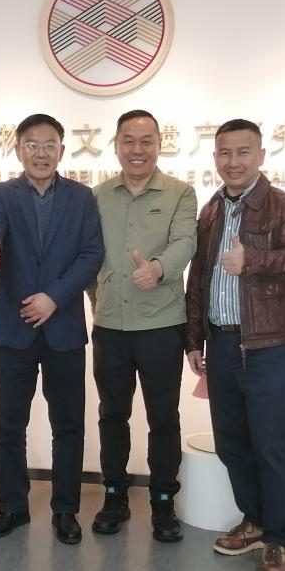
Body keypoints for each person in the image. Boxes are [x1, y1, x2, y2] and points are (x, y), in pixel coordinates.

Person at [184, 119, 285, 571]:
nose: (233, 161)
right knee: (232, 442)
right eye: (224, 152)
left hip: (270, 345)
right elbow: (198, 279)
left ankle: (278, 539)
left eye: (243, 152)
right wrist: (194, 339)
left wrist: (250, 260)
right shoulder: (211, 211)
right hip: (220, 343)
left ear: (260, 155)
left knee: (274, 446)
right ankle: (254, 520)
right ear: (215, 157)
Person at [0, 113, 104, 545]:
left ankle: (65, 509)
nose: (41, 153)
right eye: (32, 144)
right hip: (14, 328)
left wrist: (54, 297)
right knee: (10, 424)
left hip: (62, 326)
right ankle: (12, 507)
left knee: (68, 424)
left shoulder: (81, 197)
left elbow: (91, 254)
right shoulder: (0, 194)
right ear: (18, 150)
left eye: (49, 144)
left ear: (62, 150)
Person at [88, 109, 196, 543]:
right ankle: (114, 495)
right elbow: (89, 254)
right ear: (116, 145)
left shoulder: (180, 193)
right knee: (112, 414)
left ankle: (163, 500)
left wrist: (158, 268)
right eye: (129, 141)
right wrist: (97, 300)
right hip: (110, 326)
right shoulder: (96, 196)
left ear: (159, 144)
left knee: (163, 417)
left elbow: (185, 241)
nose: (137, 149)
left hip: (161, 325)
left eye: (146, 140)